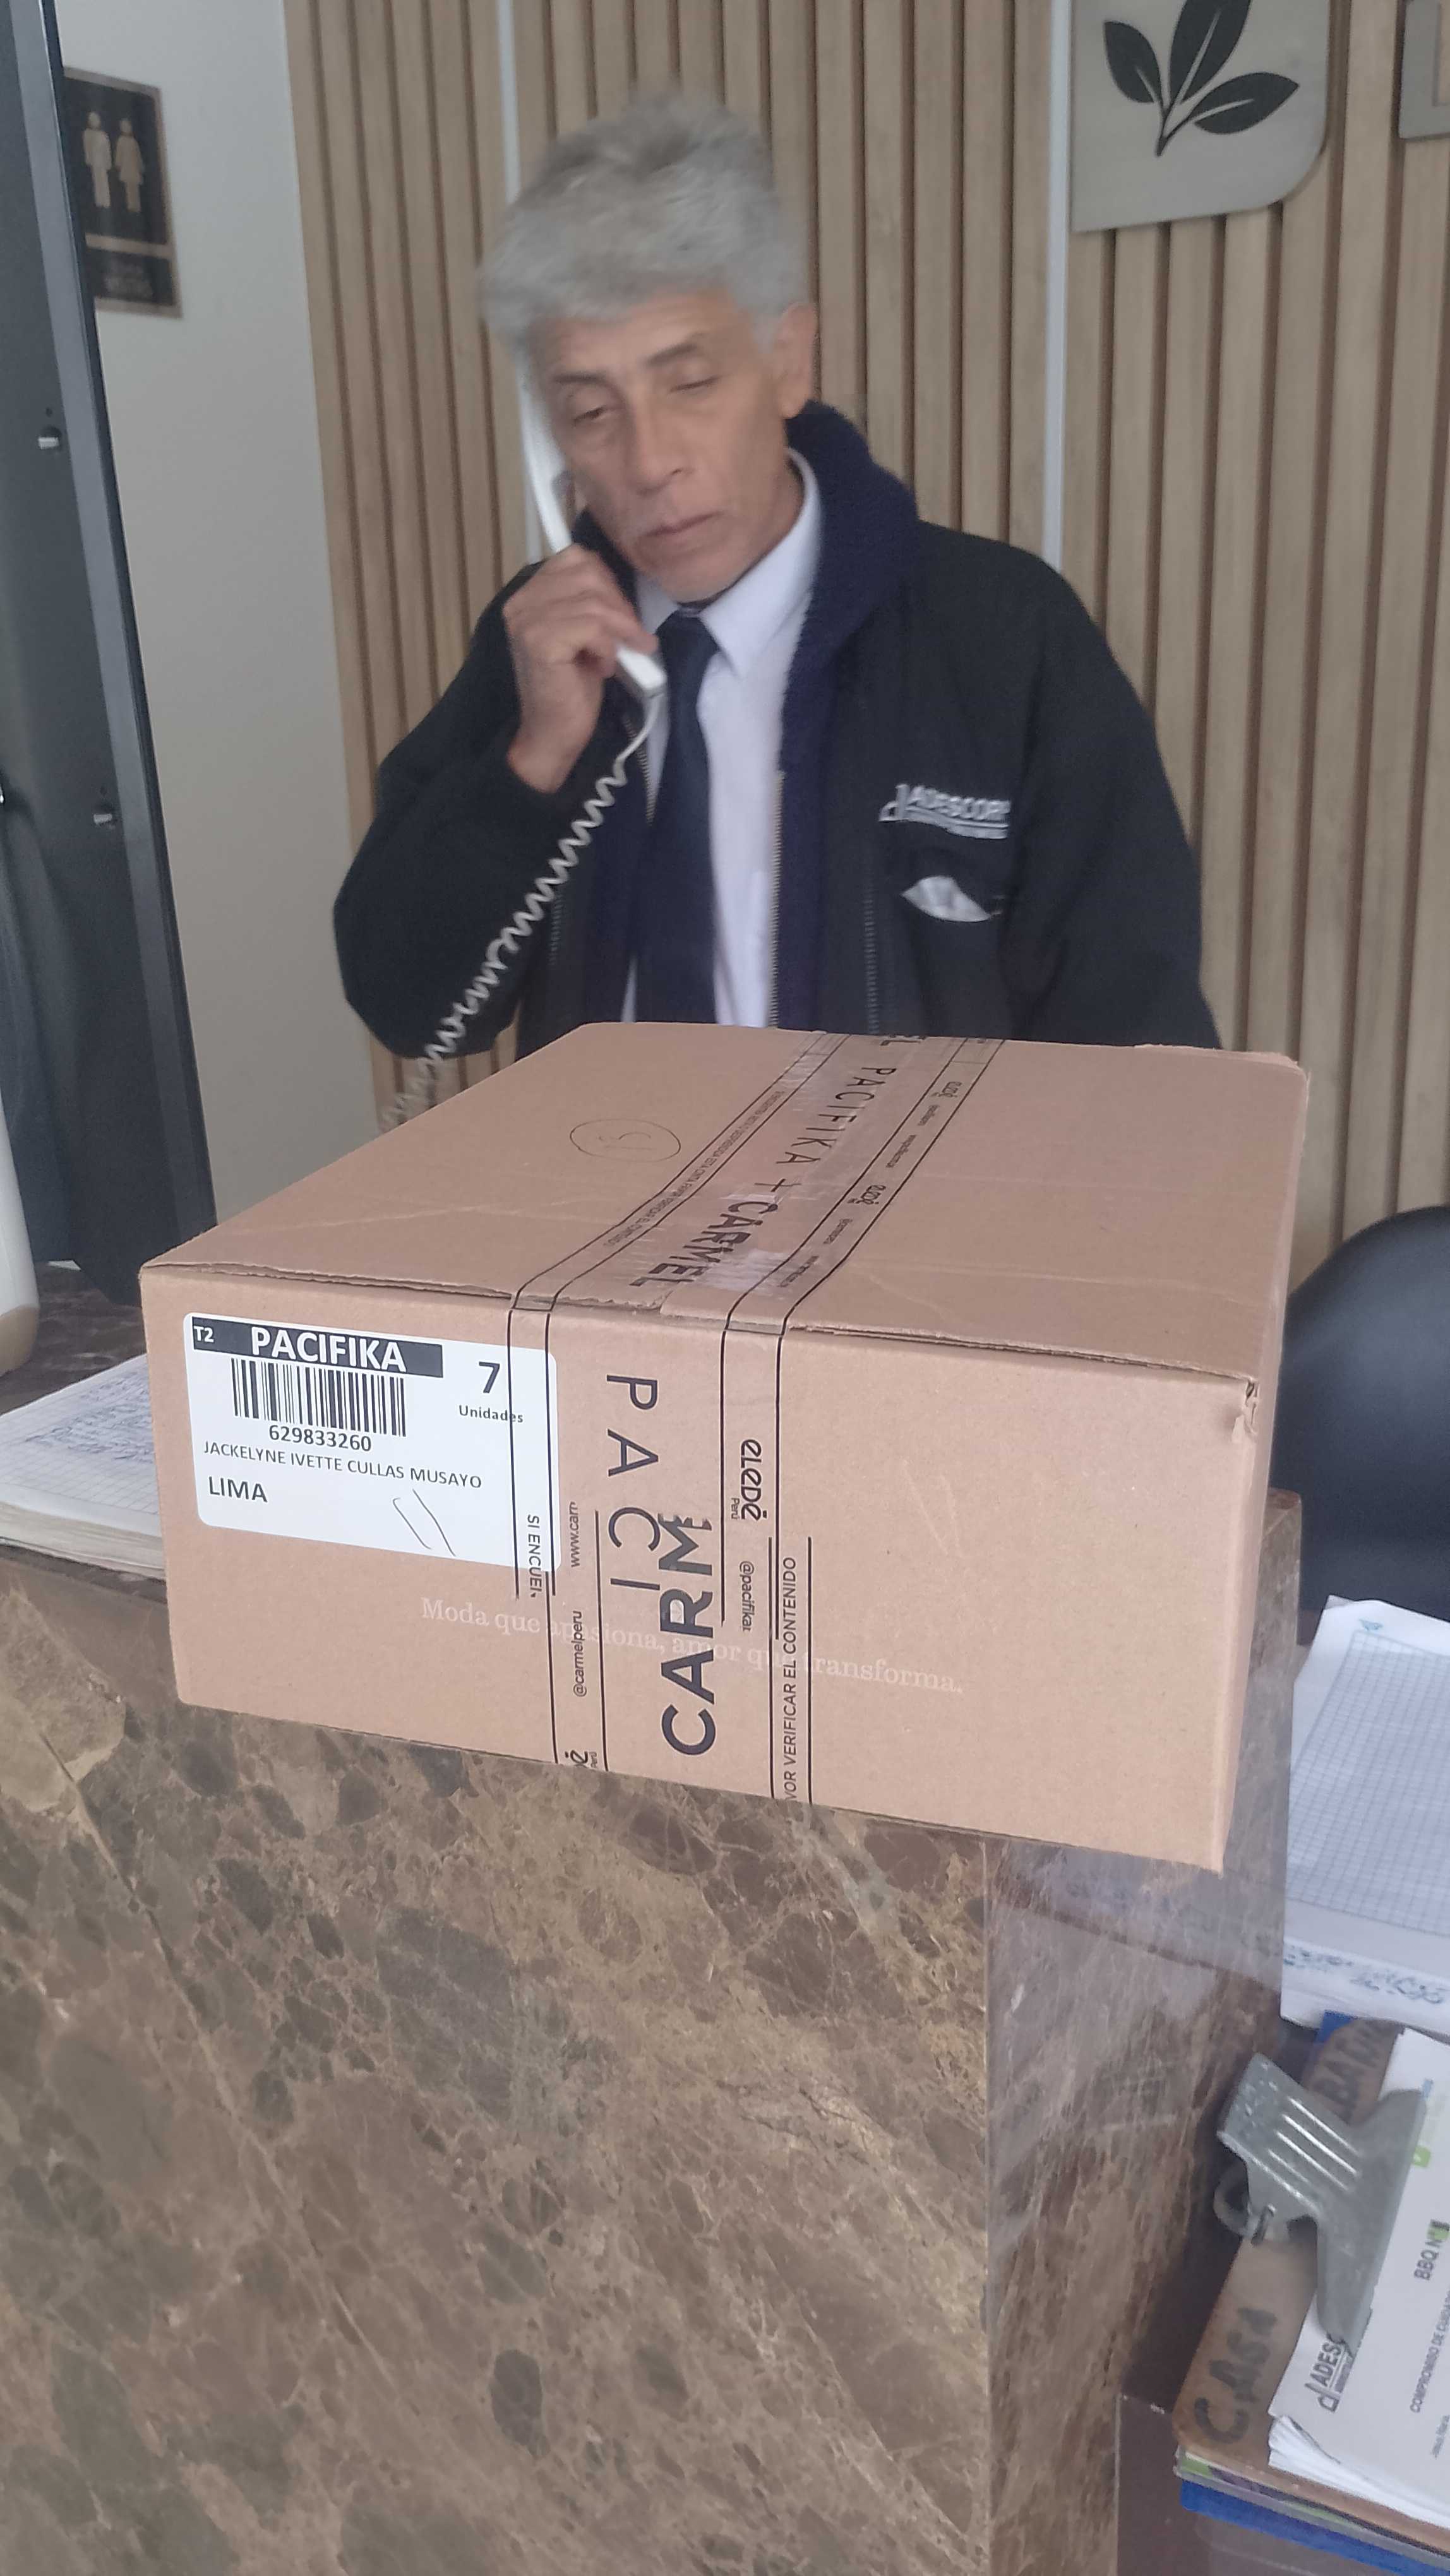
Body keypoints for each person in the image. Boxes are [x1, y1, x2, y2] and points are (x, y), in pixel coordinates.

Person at [335, 95, 1218, 1070]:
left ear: (788, 362)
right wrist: (533, 762)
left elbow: (1139, 1041)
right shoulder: (541, 644)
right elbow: (411, 1011)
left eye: (690, 384)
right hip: (600, 1166)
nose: (649, 462)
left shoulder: (1004, 636)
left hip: (908, 1174)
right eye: (590, 414)